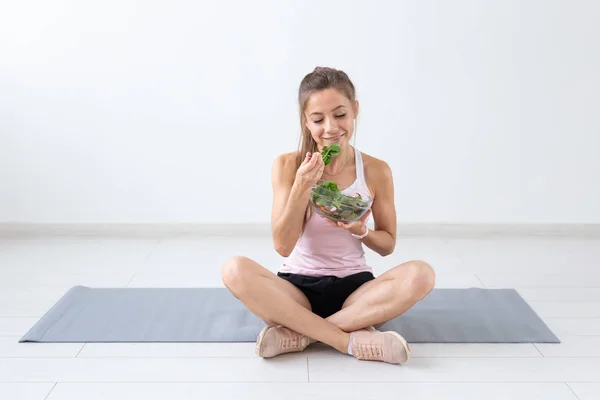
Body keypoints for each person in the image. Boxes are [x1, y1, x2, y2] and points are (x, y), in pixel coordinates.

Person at [222, 66, 435, 365]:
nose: (331, 128)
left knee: (421, 274)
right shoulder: (287, 165)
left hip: (356, 291)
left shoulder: (376, 170)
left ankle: (302, 333)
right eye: (318, 119)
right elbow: (282, 245)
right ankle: (348, 340)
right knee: (234, 270)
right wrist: (302, 185)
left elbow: (387, 245)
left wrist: (361, 230)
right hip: (296, 289)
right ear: (305, 121)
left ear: (355, 110)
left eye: (340, 115)